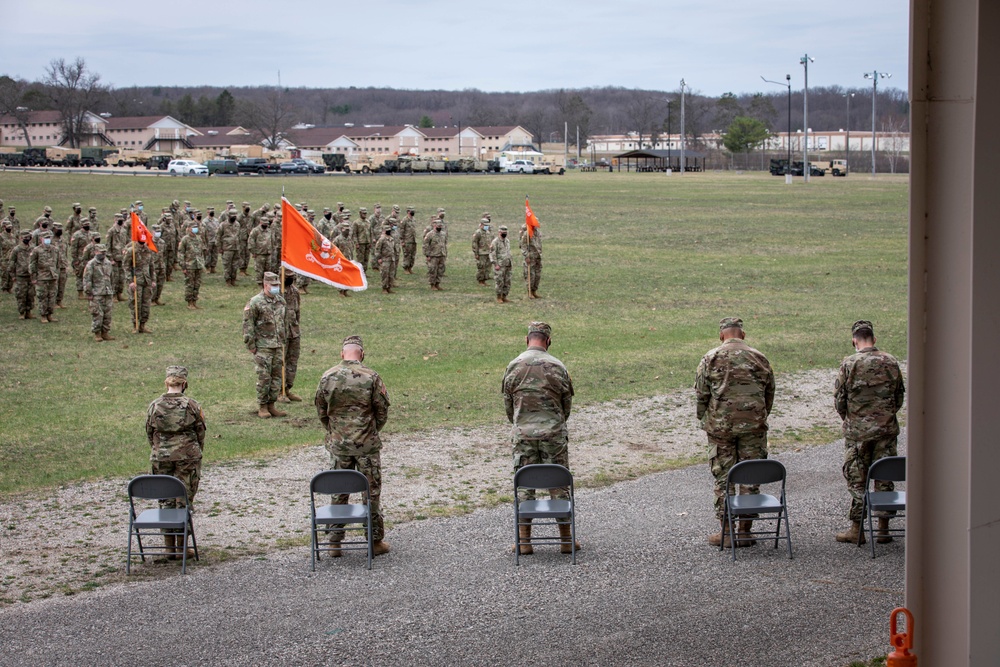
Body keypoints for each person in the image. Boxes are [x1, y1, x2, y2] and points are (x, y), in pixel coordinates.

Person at [695, 317, 775, 548]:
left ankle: (727, 531)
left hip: (721, 427)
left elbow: (701, 394)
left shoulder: (710, 358)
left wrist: (705, 419)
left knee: (724, 476)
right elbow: (769, 392)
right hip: (754, 426)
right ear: (743, 334)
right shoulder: (759, 358)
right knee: (751, 476)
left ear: (722, 336)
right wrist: (759, 416)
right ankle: (745, 530)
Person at [502, 322, 577, 554]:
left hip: (523, 434)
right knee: (559, 485)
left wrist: (521, 423)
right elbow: (566, 405)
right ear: (548, 341)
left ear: (527, 340)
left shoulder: (513, 366)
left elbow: (508, 405)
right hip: (553, 434)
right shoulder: (558, 366)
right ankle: (566, 540)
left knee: (524, 485)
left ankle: (524, 542)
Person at [314, 335, 391, 556]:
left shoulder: (327, 377)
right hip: (367, 445)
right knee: (371, 493)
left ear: (342, 354)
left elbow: (321, 411)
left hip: (339, 445)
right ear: (362, 354)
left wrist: (334, 432)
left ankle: (334, 542)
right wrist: (372, 430)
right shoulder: (371, 377)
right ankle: (374, 541)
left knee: (338, 491)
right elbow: (382, 410)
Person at [833, 320, 906, 545]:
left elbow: (840, 400)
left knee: (857, 479)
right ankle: (883, 528)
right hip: (885, 430)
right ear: (874, 339)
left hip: (858, 433)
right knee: (884, 476)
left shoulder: (849, 364)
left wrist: (851, 420)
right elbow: (899, 396)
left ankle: (857, 528)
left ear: (854, 340)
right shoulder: (890, 362)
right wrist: (885, 416)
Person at [145, 365, 206, 558]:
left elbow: (149, 431)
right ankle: (182, 547)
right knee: (184, 498)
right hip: (187, 457)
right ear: (184, 383)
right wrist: (196, 451)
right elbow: (200, 431)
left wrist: (158, 450)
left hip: (161, 456)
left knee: (165, 498)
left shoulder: (154, 405)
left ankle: (169, 547)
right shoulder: (192, 405)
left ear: (166, 382)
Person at [243, 271, 287, 419]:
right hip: (262, 346)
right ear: (265, 285)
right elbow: (248, 325)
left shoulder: (281, 301)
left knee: (276, 378)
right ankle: (262, 406)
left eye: (277, 285)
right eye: (273, 285)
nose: (276, 288)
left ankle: (271, 405)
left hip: (277, 345)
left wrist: (283, 340)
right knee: (264, 377)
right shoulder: (255, 302)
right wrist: (251, 345)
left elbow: (283, 323)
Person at [123, 233, 156, 333]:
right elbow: (126, 267)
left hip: (147, 281)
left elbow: (151, 266)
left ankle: (143, 325)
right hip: (136, 281)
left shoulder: (148, 250)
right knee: (136, 303)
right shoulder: (131, 251)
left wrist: (153, 280)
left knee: (146, 304)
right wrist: (130, 281)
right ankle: (135, 325)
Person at [29, 230, 64, 323]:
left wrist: (57, 274)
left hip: (52, 277)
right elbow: (32, 264)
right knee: (42, 296)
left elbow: (58, 263)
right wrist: (33, 277)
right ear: (41, 239)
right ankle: (43, 315)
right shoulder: (36, 250)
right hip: (42, 277)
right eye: (45, 238)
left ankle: (50, 314)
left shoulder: (55, 249)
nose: (47, 240)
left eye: (49, 238)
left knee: (52, 296)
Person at [278, 272, 303, 403]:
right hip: (280, 333)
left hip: (293, 331)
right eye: (287, 275)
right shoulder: (276, 291)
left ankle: (287, 388)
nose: (291, 278)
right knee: (279, 362)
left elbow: (297, 312)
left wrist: (296, 327)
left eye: (292, 275)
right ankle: (278, 391)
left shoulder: (295, 291)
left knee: (292, 361)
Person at [83, 243, 115, 341]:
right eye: (101, 252)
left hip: (107, 292)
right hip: (96, 293)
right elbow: (87, 279)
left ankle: (105, 332)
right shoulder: (91, 264)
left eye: (104, 252)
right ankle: (97, 333)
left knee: (107, 314)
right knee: (97, 313)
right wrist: (89, 293)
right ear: (96, 252)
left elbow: (111, 277)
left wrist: (112, 289)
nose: (103, 254)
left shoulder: (108, 263)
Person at [177, 223, 206, 310]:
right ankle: (189, 302)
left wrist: (202, 263)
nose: (195, 229)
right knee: (190, 284)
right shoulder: (185, 239)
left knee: (197, 284)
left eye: (196, 227)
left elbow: (201, 252)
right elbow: (181, 253)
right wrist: (183, 266)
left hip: (198, 265)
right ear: (189, 228)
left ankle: (194, 301)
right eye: (193, 227)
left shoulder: (198, 238)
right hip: (189, 265)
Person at [9, 230, 35, 319]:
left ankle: (29, 311)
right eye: (25, 238)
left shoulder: (33, 248)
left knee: (31, 294)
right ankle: (21, 312)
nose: (27, 239)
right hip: (20, 276)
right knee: (21, 295)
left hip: (31, 276)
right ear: (21, 238)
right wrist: (12, 276)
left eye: (28, 238)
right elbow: (12, 262)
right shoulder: (17, 249)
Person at [70, 217, 96, 299]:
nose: (87, 226)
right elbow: (73, 248)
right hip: (81, 258)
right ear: (81, 225)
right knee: (80, 275)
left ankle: (90, 291)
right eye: (85, 225)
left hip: (91, 258)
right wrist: (75, 259)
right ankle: (80, 293)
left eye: (88, 224)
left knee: (90, 275)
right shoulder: (77, 235)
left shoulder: (91, 234)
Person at [489, 225, 512, 303]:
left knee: (507, 281)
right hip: (499, 265)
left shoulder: (507, 241)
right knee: (499, 281)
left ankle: (504, 296)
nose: (504, 234)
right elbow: (492, 254)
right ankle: (499, 297)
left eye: (506, 232)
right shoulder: (495, 242)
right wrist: (496, 264)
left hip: (507, 264)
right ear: (499, 232)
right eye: (503, 232)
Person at [248, 215, 273, 286]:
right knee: (259, 269)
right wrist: (253, 252)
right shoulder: (255, 230)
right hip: (259, 253)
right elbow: (251, 241)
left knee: (268, 269)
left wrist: (272, 249)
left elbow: (272, 240)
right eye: (264, 223)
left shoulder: (269, 230)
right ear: (260, 223)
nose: (266, 225)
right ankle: (260, 283)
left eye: (267, 224)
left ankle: (266, 283)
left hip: (268, 253)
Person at [519, 221, 542, 299]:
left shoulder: (537, 232)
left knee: (537, 275)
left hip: (537, 257)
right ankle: (529, 292)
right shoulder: (527, 233)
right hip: (530, 257)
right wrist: (526, 256)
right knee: (530, 275)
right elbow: (523, 245)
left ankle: (534, 291)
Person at [422, 218, 447, 290]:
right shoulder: (430, 234)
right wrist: (427, 255)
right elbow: (425, 245)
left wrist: (444, 253)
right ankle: (432, 285)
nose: (439, 227)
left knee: (440, 270)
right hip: (433, 255)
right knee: (433, 270)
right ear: (434, 225)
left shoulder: (443, 234)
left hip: (441, 255)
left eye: (440, 226)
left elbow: (444, 244)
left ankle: (437, 284)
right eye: (438, 226)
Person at [372, 223, 396, 294]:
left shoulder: (391, 239)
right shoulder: (382, 239)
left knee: (391, 274)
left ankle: (389, 287)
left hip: (391, 259)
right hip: (384, 259)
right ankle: (384, 288)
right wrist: (379, 258)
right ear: (384, 231)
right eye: (387, 230)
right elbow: (377, 249)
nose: (389, 231)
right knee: (384, 274)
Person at [219, 210, 241, 286]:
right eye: (232, 215)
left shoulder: (237, 224)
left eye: (235, 215)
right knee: (227, 265)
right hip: (227, 248)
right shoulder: (223, 225)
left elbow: (239, 236)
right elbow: (218, 236)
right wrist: (219, 248)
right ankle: (228, 280)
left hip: (236, 248)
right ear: (228, 216)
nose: (234, 217)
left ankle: (233, 279)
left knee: (235, 265)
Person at [471, 217, 493, 286]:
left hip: (488, 252)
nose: (486, 226)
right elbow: (475, 243)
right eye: (485, 225)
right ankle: (480, 280)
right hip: (481, 253)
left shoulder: (488, 232)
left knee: (487, 267)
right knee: (481, 267)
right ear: (481, 225)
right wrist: (476, 253)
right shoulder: (478, 232)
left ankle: (484, 280)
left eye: (487, 225)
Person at [399, 207, 417, 274]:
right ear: (408, 211)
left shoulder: (414, 219)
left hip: (413, 240)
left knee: (412, 255)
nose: (413, 212)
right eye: (412, 211)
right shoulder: (404, 220)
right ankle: (405, 268)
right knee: (407, 255)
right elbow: (401, 231)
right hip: (407, 240)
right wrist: (402, 241)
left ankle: (410, 268)